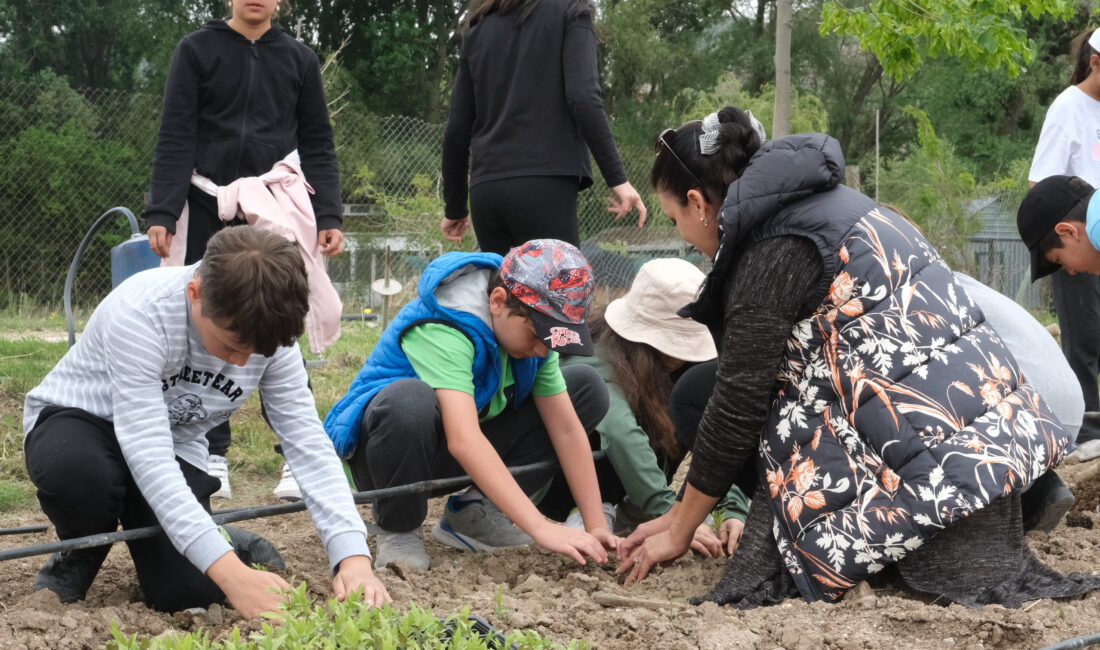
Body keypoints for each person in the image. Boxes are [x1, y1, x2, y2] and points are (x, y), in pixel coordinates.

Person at [616, 108, 1099, 609]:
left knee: (735, 403)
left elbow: (738, 403)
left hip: (946, 469)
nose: (681, 234)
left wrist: (681, 527)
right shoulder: (840, 205)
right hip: (995, 446)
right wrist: (677, 516)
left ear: (698, 203)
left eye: (674, 218)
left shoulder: (774, 249)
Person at [23, 227, 388, 617]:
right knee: (79, 473)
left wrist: (352, 557)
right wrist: (233, 574)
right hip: (82, 422)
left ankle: (223, 533)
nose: (241, 364)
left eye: (256, 353)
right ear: (195, 294)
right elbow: (147, 453)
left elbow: (306, 441)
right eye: (231, 346)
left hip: (173, 441)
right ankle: (79, 550)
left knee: (187, 595)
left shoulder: (265, 325)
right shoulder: (141, 313)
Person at [144, 0, 346, 500]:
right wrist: (162, 212)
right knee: (204, 321)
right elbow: (175, 133)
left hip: (271, 208)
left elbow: (318, 140)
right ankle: (209, 451)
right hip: (206, 202)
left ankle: (295, 457)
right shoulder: (196, 50)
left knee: (280, 319)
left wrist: (330, 216)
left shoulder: (299, 59)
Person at [324, 239, 618, 571]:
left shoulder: (536, 344)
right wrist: (541, 527)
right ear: (497, 301)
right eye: (536, 336)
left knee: (585, 388)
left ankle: (473, 514)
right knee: (409, 400)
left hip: (457, 445)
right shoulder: (445, 326)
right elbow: (463, 439)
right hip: (387, 453)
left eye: (552, 341)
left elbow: (565, 430)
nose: (542, 350)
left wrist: (596, 526)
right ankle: (399, 528)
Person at [539, 258, 749, 558]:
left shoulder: (686, 367)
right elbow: (620, 431)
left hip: (641, 490)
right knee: (607, 420)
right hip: (561, 486)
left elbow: (722, 427)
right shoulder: (597, 355)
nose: (681, 356)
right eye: (673, 344)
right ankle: (593, 514)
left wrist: (734, 508)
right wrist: (672, 516)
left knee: (686, 408)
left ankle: (637, 511)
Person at [439, 0, 647, 253]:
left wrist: (456, 207)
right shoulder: (571, 12)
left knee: (502, 292)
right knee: (559, 290)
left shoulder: (479, 30)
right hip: (545, 185)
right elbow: (583, 97)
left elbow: (457, 129)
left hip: (487, 190)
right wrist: (618, 180)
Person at [1027, 28, 1100, 461]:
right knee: (1086, 338)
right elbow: (1043, 184)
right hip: (1079, 235)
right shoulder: (1069, 107)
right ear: (1094, 62)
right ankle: (1085, 430)